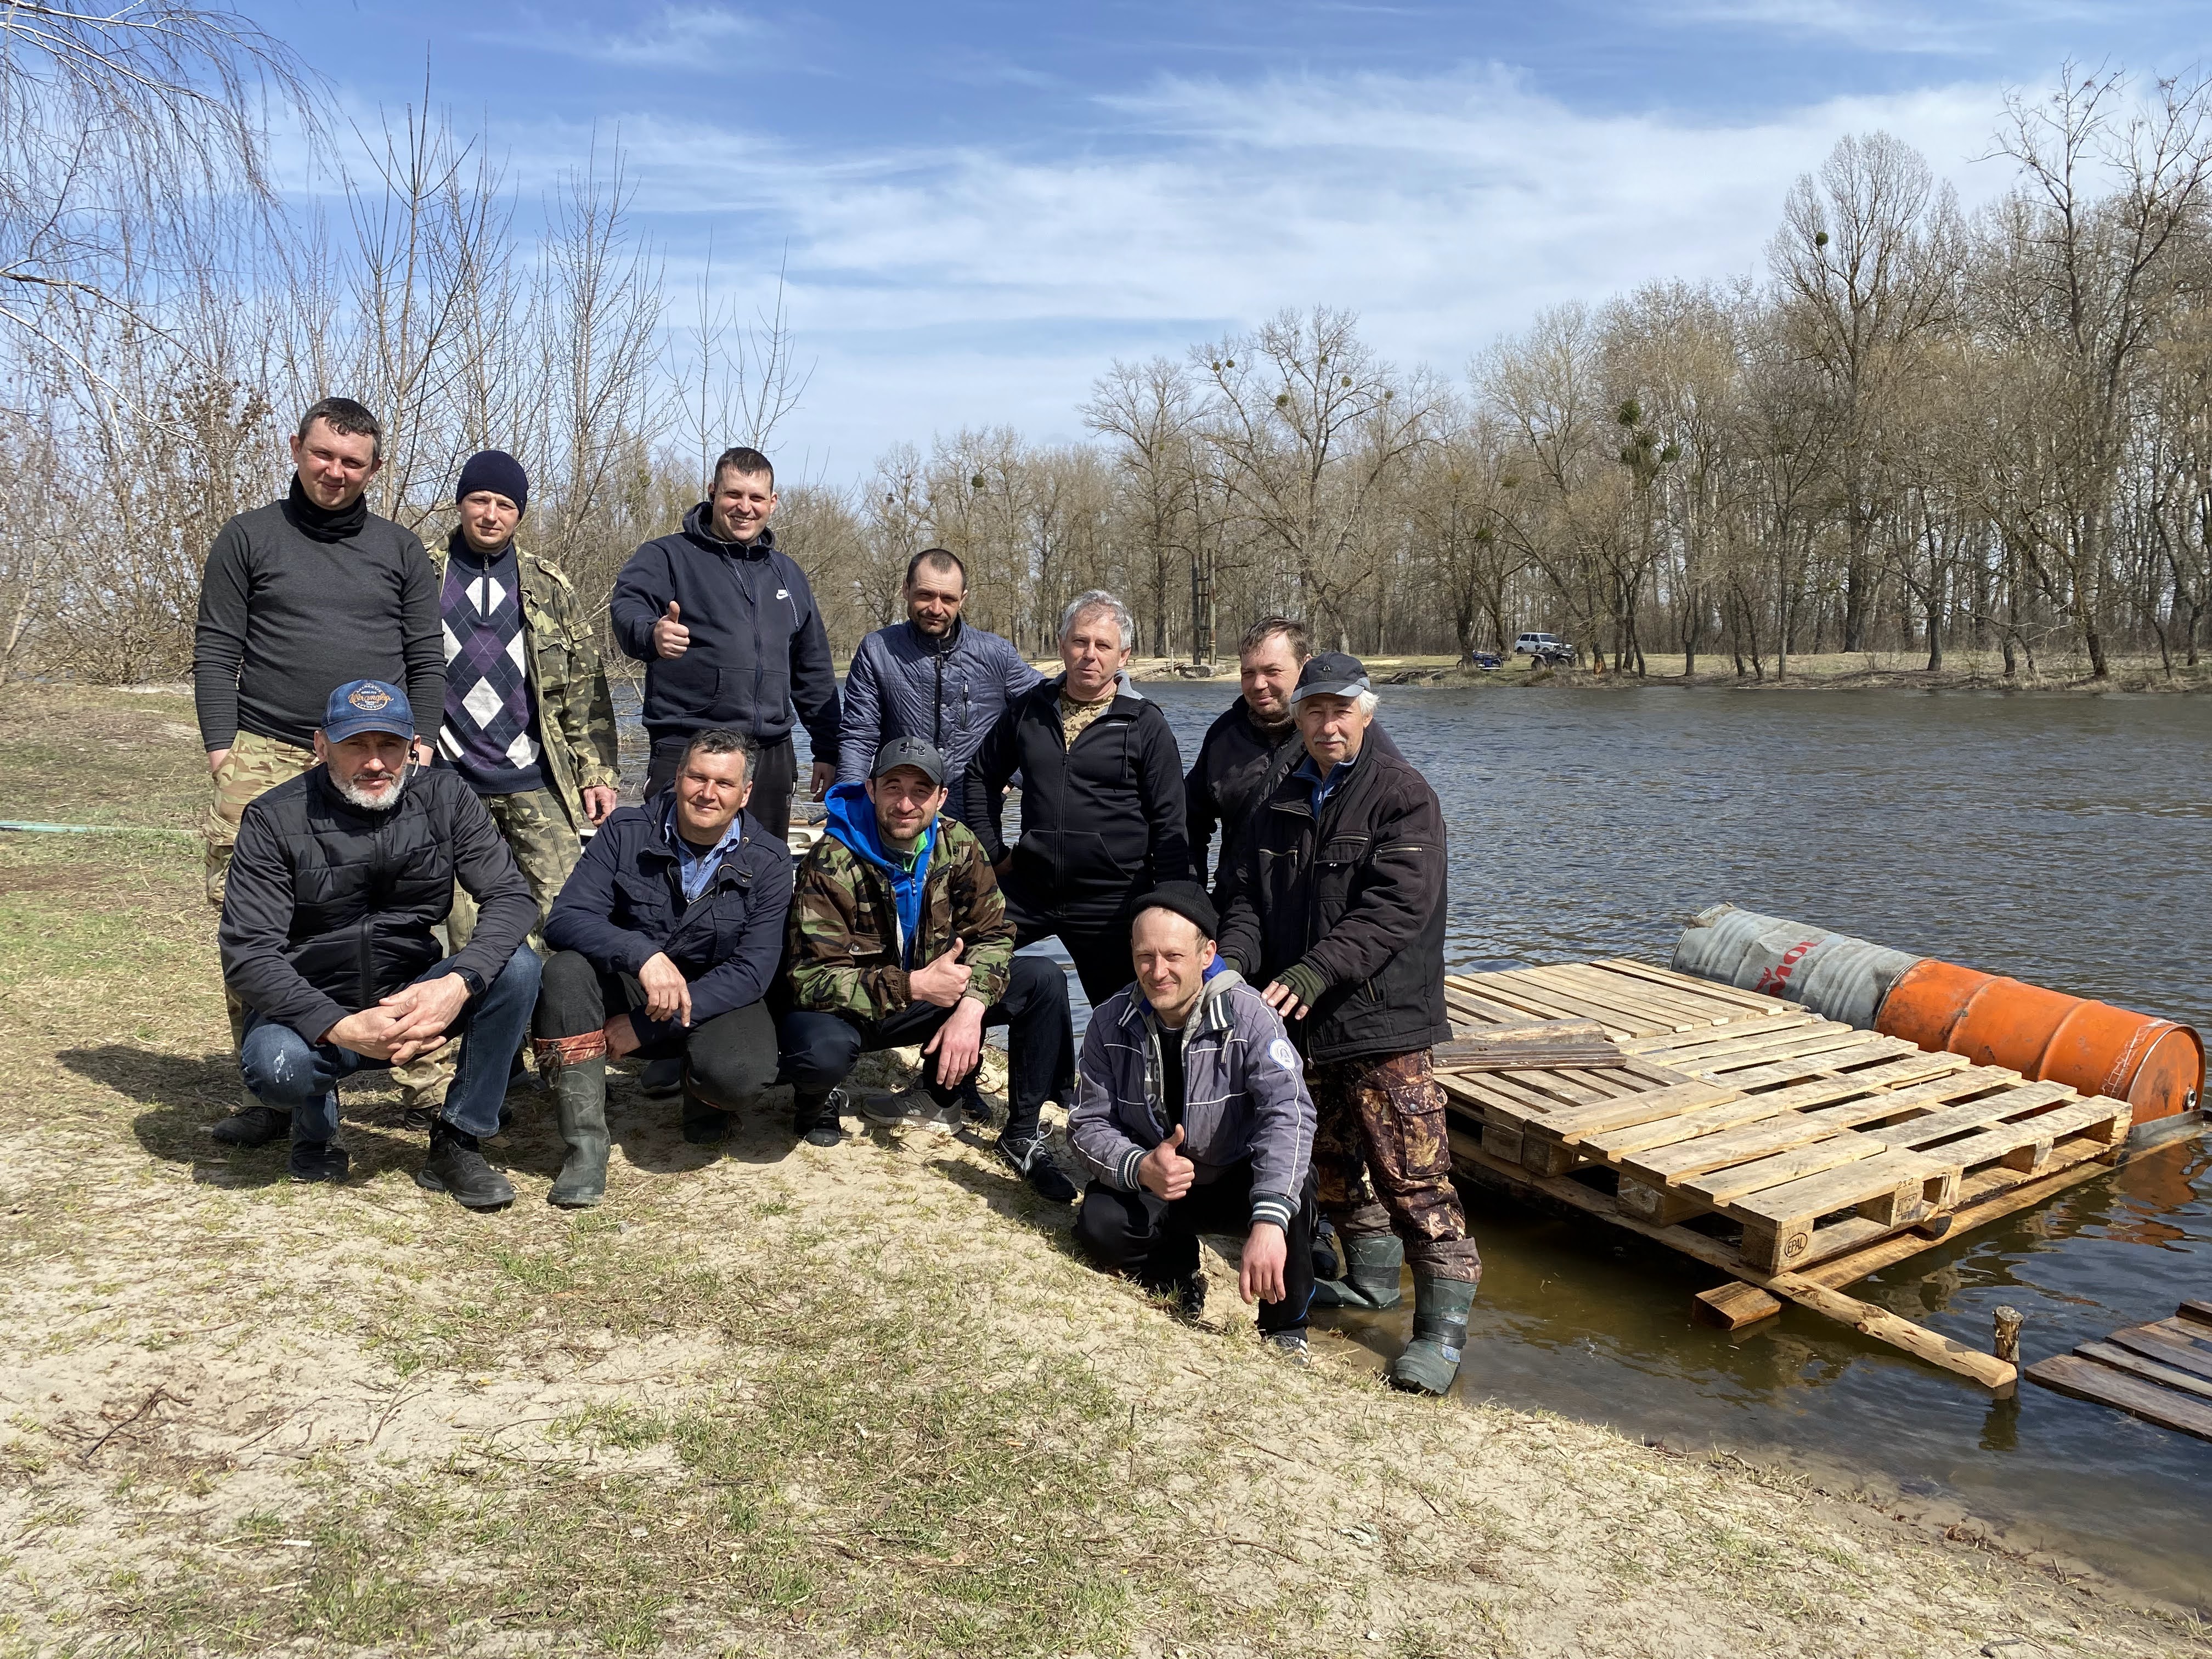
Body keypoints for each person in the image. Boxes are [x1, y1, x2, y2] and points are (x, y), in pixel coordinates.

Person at [1215, 652, 1480, 1396]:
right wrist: (1233, 963)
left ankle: (1442, 1331)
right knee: (1330, 1167)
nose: (1327, 725)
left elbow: (1396, 910)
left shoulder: (1404, 797)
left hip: (1384, 1021)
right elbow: (1241, 893)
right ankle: (1370, 1287)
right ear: (1297, 716)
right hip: (1306, 1026)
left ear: (1367, 713)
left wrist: (1313, 970)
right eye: (1314, 711)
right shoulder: (1275, 796)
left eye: (1341, 711)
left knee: (1415, 1177)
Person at [193, 397, 446, 1146]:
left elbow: (426, 660)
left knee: (391, 910)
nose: (336, 472)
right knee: (252, 922)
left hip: (376, 753)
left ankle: (423, 1085)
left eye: (353, 462)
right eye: (324, 455)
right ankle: (279, 1090)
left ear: (375, 468)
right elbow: (215, 649)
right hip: (266, 748)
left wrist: (421, 740)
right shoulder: (247, 538)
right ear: (297, 447)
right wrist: (222, 750)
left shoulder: (400, 551)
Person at [219, 680, 542, 1205]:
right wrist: (339, 1025)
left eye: (389, 745)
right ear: (321, 746)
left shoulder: (447, 796)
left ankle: (459, 1140)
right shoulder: (273, 817)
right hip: (317, 1009)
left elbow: (510, 896)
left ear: (412, 746)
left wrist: (457, 985)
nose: (375, 763)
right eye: (356, 746)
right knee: (279, 1067)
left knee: (517, 967)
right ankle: (314, 1125)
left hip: (413, 996)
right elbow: (248, 952)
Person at [780, 737, 1078, 1200]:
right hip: (851, 1008)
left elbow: (995, 935)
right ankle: (819, 1096)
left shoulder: (957, 843)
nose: (905, 803)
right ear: (871, 788)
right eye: (893, 787)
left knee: (1042, 979)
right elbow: (808, 980)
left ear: (940, 797)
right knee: (821, 1051)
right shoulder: (830, 860)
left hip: (930, 995)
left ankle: (1018, 1134)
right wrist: (914, 984)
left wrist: (973, 1006)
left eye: (921, 791)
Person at [532, 729, 792, 1202]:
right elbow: (565, 919)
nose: (707, 793)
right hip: (637, 981)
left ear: (746, 793)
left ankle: (702, 1094)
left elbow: (753, 971)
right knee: (564, 972)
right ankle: (585, 1146)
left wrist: (646, 1027)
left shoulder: (771, 860)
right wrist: (643, 955)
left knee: (738, 1075)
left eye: (724, 784)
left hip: (716, 994)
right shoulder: (624, 831)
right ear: (677, 777)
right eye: (696, 777)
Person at [1068, 883, 1319, 1357]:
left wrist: (1268, 1220)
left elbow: (1290, 1116)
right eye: (1144, 956)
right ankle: (1178, 1277)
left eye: (1172, 956)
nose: (1157, 971)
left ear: (1207, 954)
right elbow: (1085, 1125)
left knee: (1296, 1192)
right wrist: (1139, 1165)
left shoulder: (1252, 1016)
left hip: (1236, 1177)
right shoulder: (1107, 1020)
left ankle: (1287, 1330)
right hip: (1158, 1179)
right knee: (1099, 1227)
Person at [960, 589, 1191, 1008]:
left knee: (1129, 1016)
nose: (1090, 654)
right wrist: (992, 851)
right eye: (1080, 642)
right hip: (1029, 889)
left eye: (1103, 645)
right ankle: (957, 1069)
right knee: (955, 963)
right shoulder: (1028, 710)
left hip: (1113, 901)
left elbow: (1171, 822)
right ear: (1063, 646)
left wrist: (1172, 906)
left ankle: (1124, 1075)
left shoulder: (1145, 724)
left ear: (1124, 657)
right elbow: (979, 775)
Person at [428, 449, 620, 947]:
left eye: (505, 505)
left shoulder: (548, 586)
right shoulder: (424, 575)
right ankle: (488, 1025)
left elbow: (586, 688)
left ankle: (555, 1026)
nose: (491, 514)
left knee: (566, 919)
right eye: (479, 500)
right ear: (460, 504)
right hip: (451, 784)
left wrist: (596, 772)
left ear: (520, 513)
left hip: (535, 777)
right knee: (469, 934)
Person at [608, 445, 840, 842]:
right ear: (713, 491)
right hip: (689, 745)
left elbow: (813, 670)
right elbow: (627, 609)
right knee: (669, 873)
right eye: (734, 495)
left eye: (756, 498)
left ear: (773, 502)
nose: (744, 507)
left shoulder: (788, 575)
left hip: (769, 756)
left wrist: (828, 749)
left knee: (762, 874)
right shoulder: (667, 556)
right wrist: (652, 633)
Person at [1186, 616, 1407, 907]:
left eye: (1272, 671)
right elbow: (1188, 822)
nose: (1258, 684)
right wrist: (1190, 900)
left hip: (1321, 918)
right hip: (1238, 909)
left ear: (1305, 665)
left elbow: (1401, 818)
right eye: (1247, 673)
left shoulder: (1346, 734)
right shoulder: (1223, 735)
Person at [836, 548, 1040, 821]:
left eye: (948, 599)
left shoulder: (997, 654)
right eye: (925, 595)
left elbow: (1046, 714)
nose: (936, 608)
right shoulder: (877, 651)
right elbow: (859, 737)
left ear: (963, 599)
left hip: (975, 810)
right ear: (905, 590)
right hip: (901, 809)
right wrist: (849, 806)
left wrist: (1012, 776)